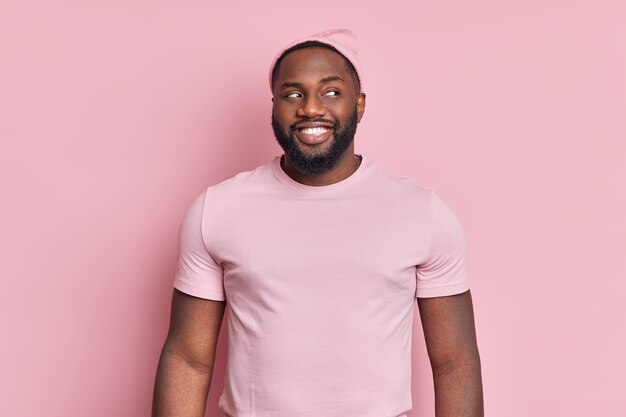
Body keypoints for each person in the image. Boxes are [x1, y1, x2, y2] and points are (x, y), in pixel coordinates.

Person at [152, 29, 483, 417]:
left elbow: (455, 361)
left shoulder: (421, 212)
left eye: (330, 91)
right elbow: (188, 359)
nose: (310, 108)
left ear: (358, 105)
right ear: (273, 107)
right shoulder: (218, 209)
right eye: (293, 94)